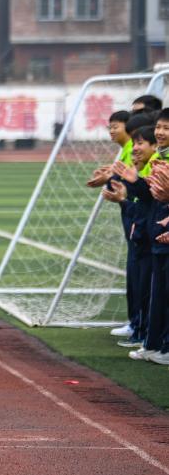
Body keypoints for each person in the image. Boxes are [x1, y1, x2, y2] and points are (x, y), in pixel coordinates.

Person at [104, 124, 156, 348]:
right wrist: (123, 195)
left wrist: (128, 194)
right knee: (138, 285)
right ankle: (140, 330)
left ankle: (148, 335)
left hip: (150, 239)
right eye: (134, 143)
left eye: (140, 143)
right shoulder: (142, 165)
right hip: (140, 236)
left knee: (149, 290)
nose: (135, 148)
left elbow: (150, 206)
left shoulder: (154, 167)